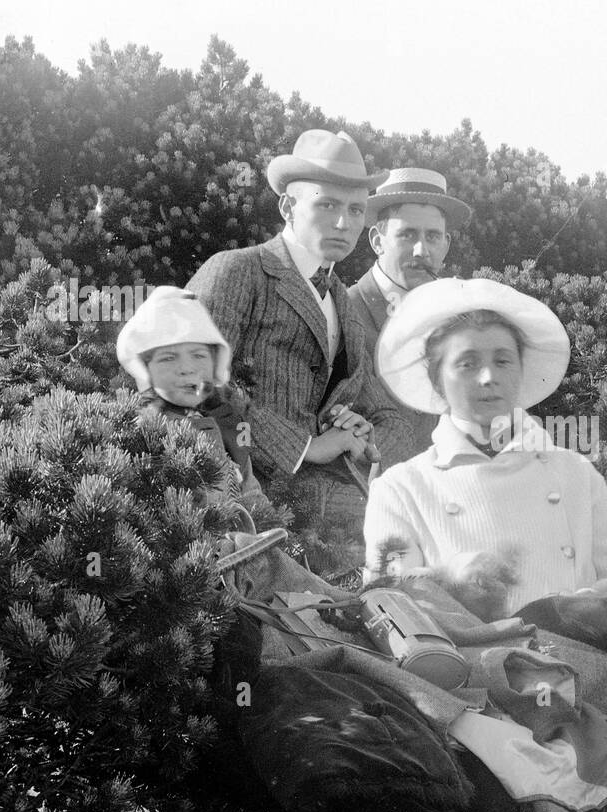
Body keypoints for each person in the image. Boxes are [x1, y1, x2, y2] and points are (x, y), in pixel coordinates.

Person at [362, 278, 607, 630]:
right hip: (471, 677)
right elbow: (389, 607)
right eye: (467, 363)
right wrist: (449, 579)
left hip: (585, 668)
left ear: (521, 369)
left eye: (503, 361)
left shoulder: (576, 473)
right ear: (437, 379)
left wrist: (588, 612)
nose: (488, 377)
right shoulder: (401, 489)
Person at [186, 129, 412, 571]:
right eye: (327, 205)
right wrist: (308, 447)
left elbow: (387, 415)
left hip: (323, 503)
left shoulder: (343, 302)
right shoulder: (238, 270)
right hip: (239, 500)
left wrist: (363, 437)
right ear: (288, 207)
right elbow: (197, 383)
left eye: (355, 210)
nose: (344, 223)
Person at [115, 285, 277, 524]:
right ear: (147, 368)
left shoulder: (227, 421)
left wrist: (266, 525)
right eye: (169, 358)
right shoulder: (144, 428)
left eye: (199, 355)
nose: (187, 368)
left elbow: (250, 489)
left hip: (243, 544)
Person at [347, 167, 472, 461]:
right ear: (377, 240)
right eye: (407, 235)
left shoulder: (456, 319)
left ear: (446, 244)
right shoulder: (343, 313)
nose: (421, 250)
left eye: (432, 237)